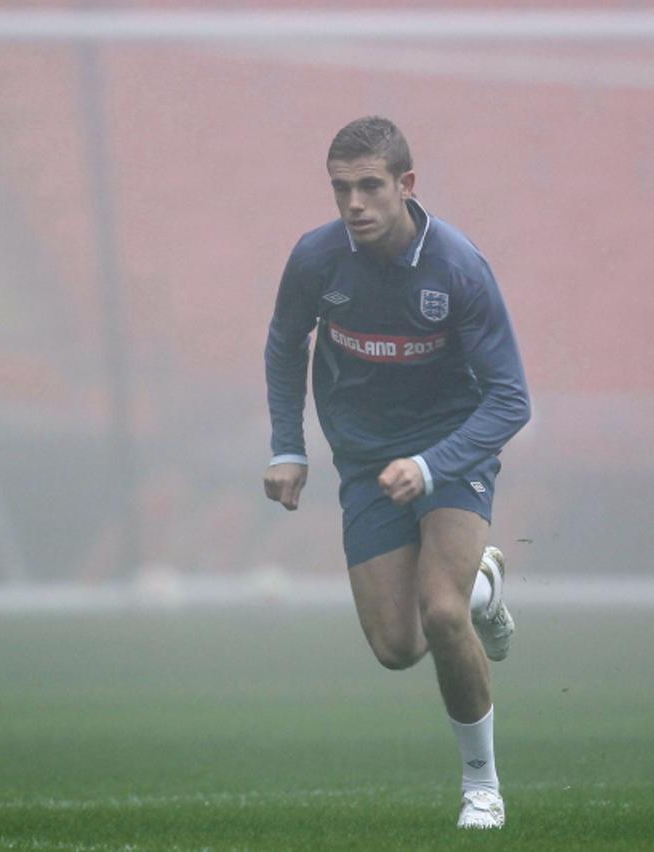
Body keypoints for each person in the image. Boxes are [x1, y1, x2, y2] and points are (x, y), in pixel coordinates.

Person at [263, 116, 529, 830]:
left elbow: (512, 399)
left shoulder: (458, 267)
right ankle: (485, 582)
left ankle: (482, 786)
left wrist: (431, 463)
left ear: (406, 186)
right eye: (341, 188)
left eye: (369, 186)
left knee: (441, 613)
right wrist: (289, 445)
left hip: (453, 450)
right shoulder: (318, 259)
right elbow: (286, 342)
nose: (354, 202)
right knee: (396, 647)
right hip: (365, 460)